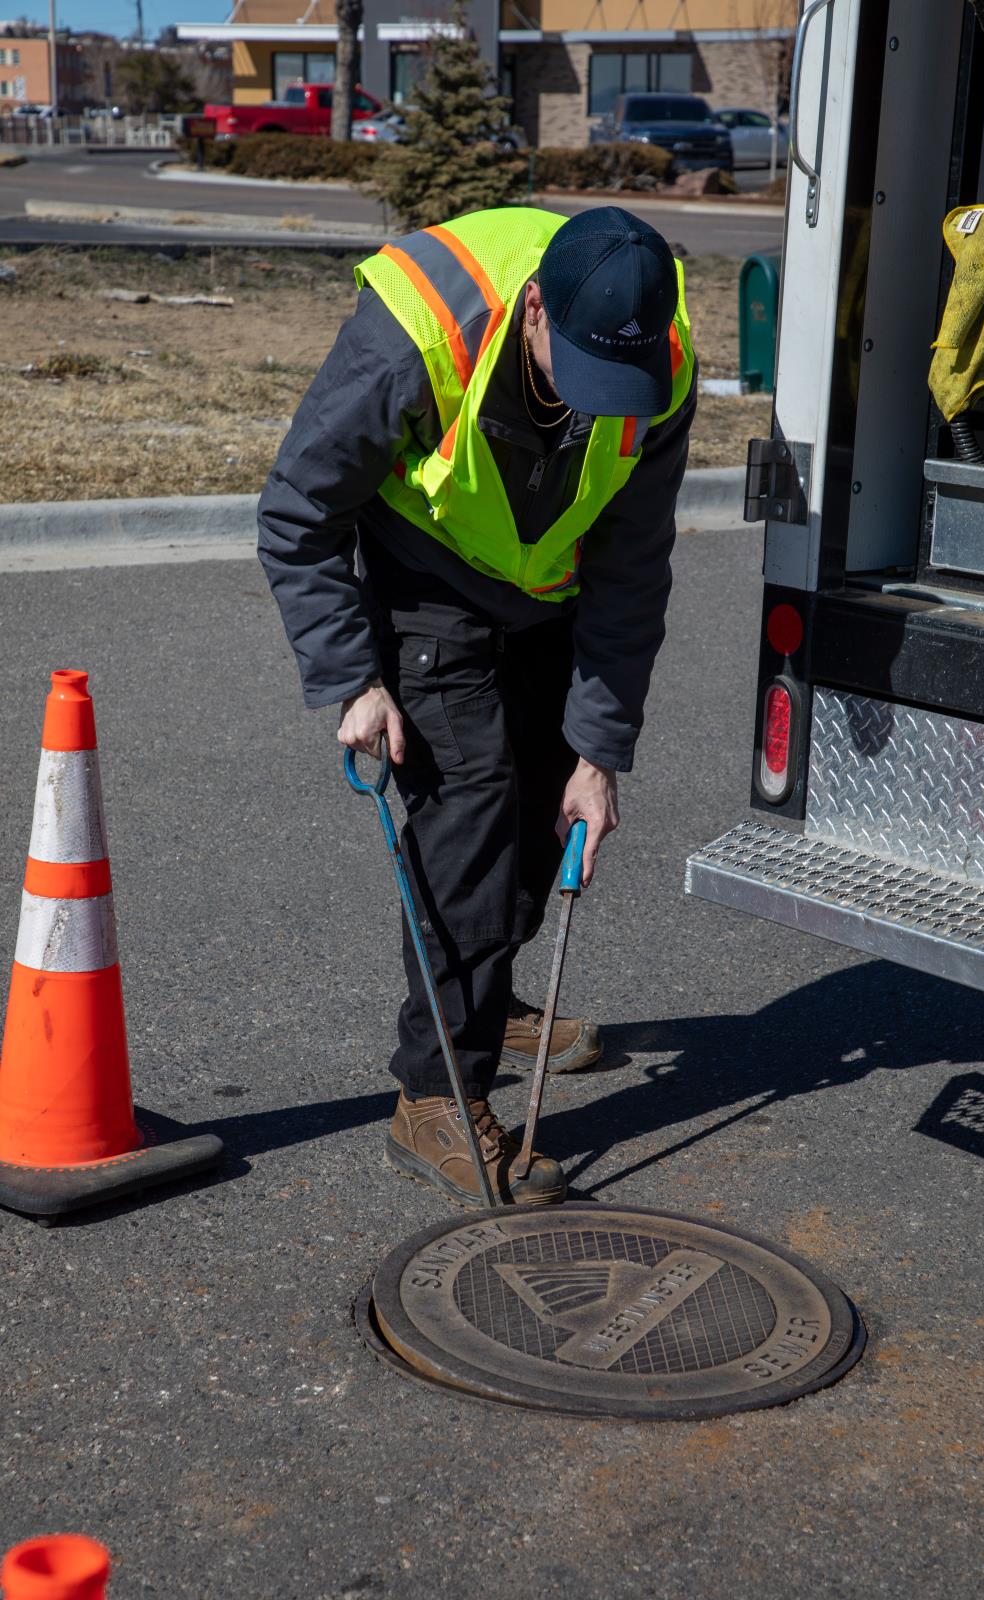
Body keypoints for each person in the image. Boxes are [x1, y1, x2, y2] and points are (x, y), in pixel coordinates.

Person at [258, 204, 696, 1209]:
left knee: (546, 799)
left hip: (547, 587)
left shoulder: (658, 368)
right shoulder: (418, 333)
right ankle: (432, 1094)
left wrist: (599, 750)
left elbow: (630, 571)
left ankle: (481, 998)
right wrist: (351, 680)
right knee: (475, 812)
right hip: (424, 578)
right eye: (574, 371)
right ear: (532, 306)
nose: (598, 405)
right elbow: (298, 510)